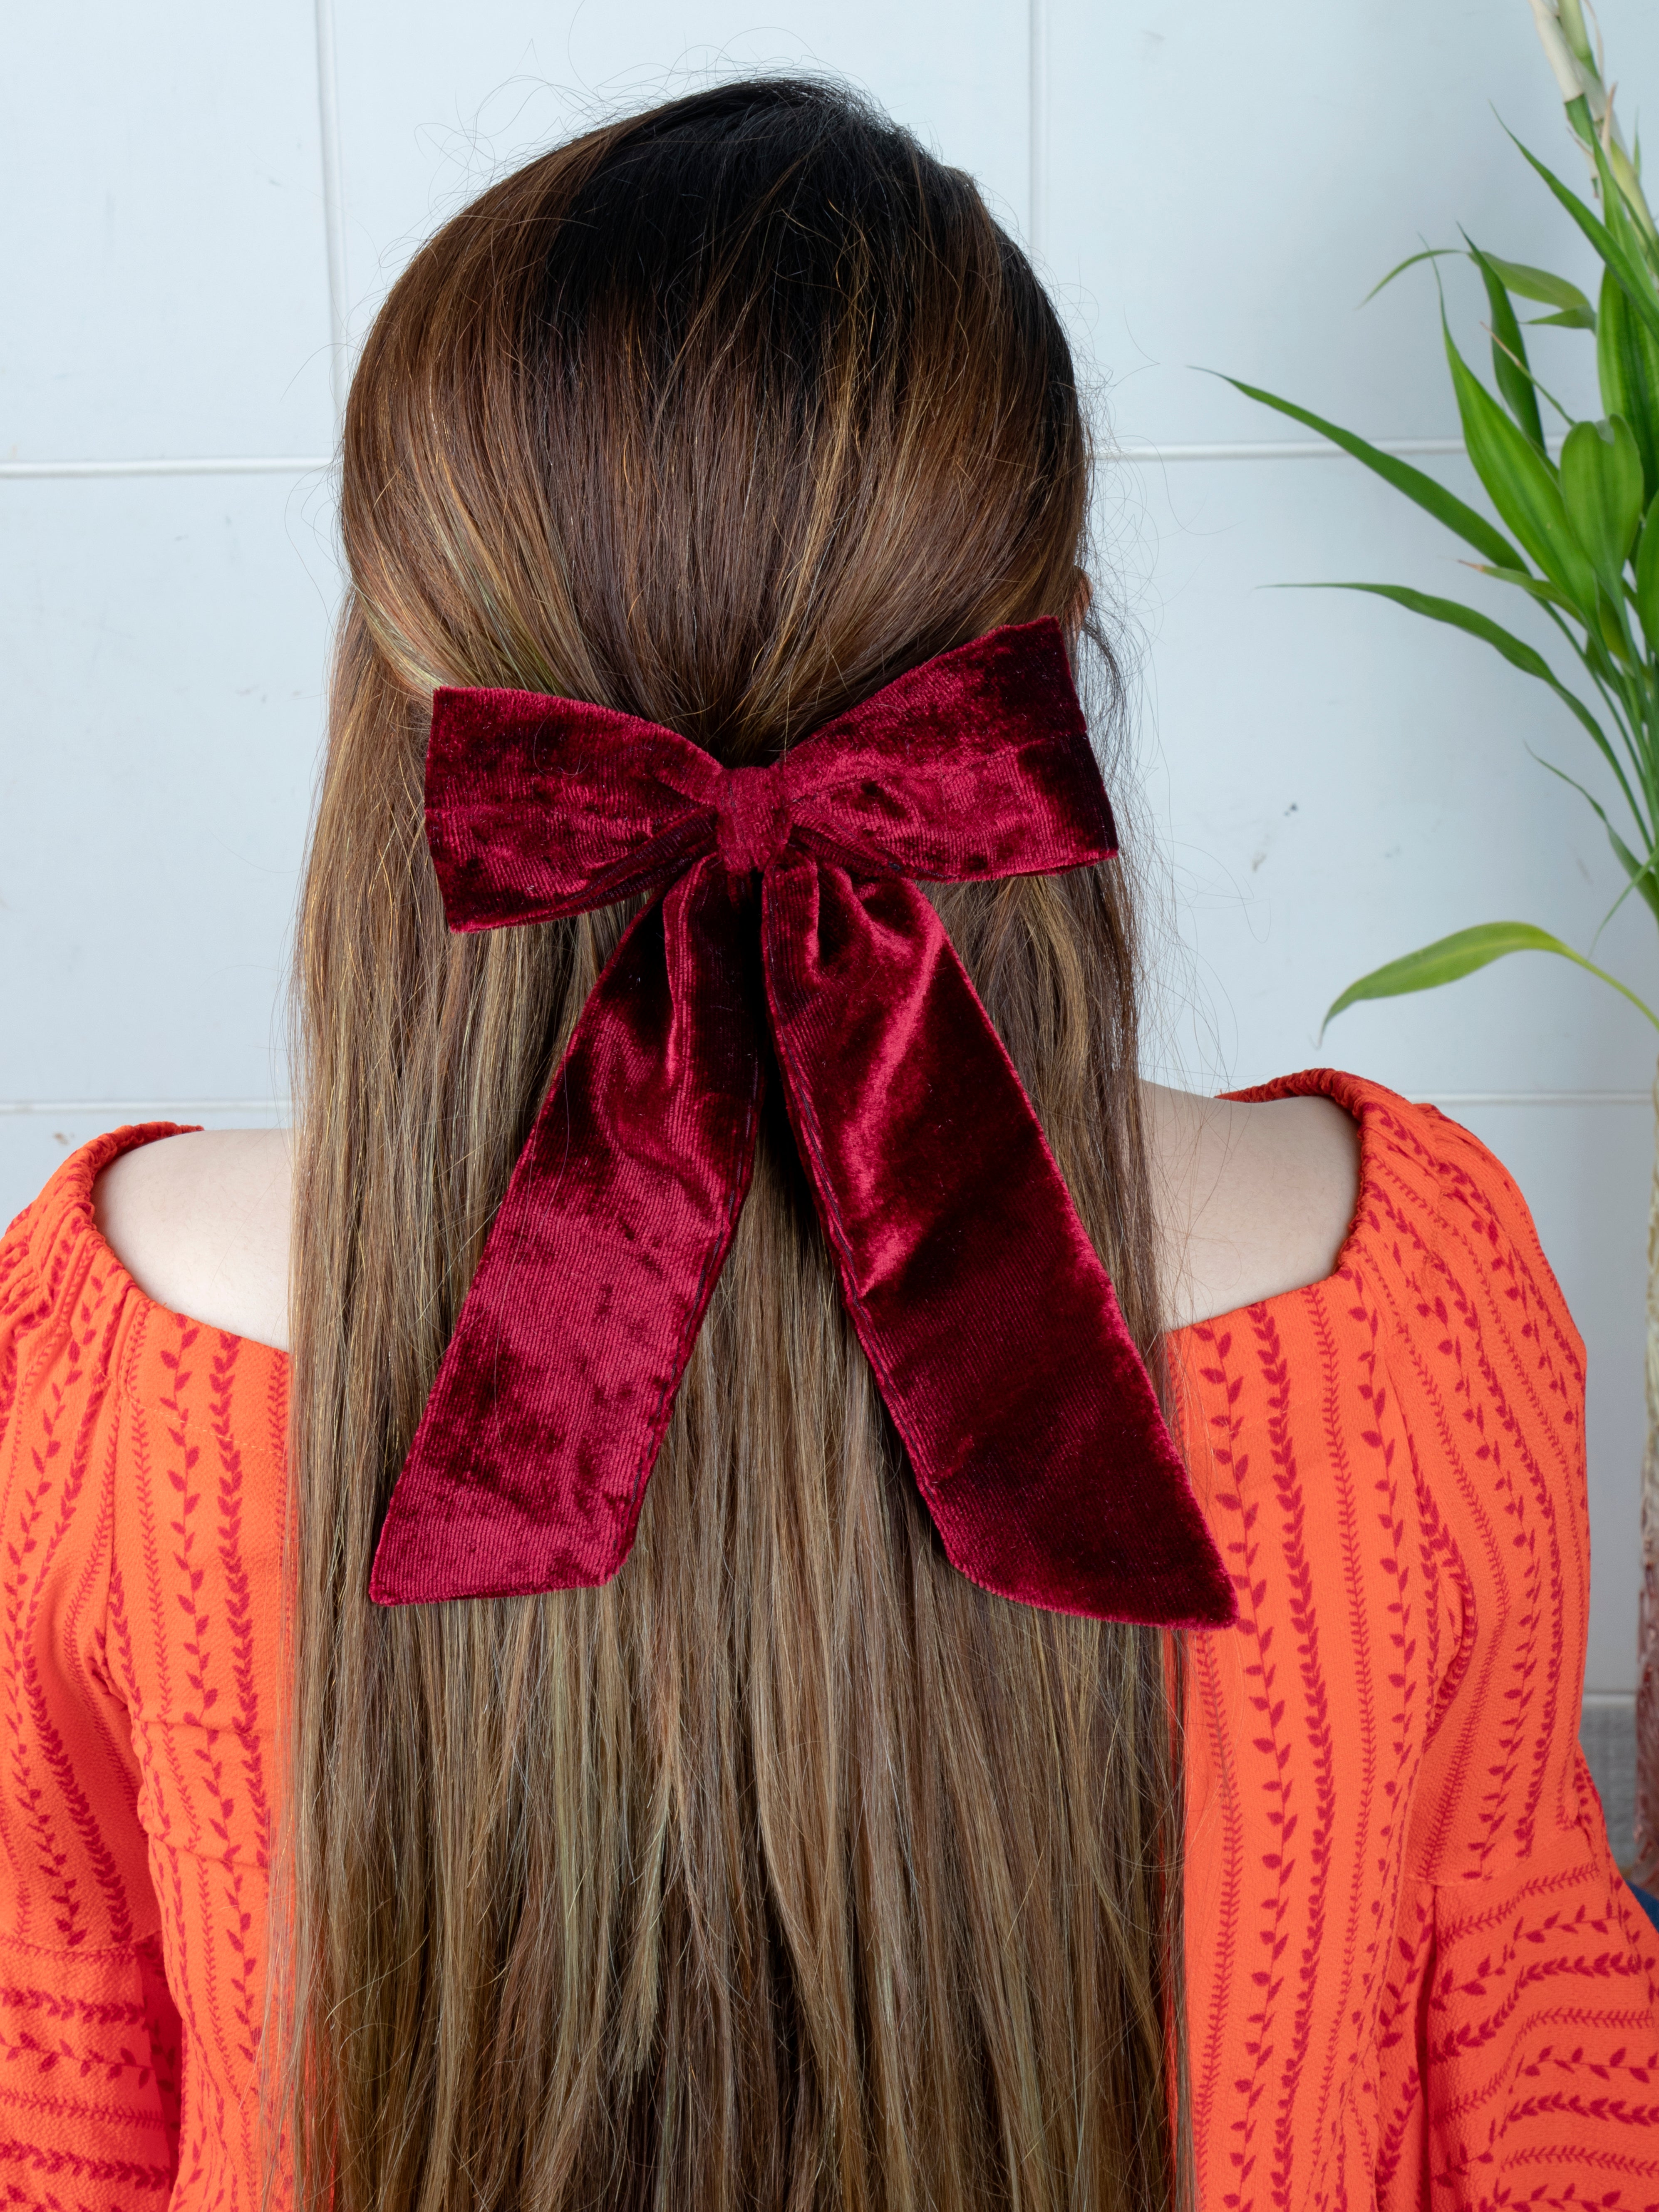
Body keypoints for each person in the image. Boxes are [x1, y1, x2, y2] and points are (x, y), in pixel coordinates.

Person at [1, 77, 1654, 2212]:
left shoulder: (99, 1360)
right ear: (1046, 675)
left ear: (400, 706)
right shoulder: (1409, 1300)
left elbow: (63, 2119)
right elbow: (1534, 2093)